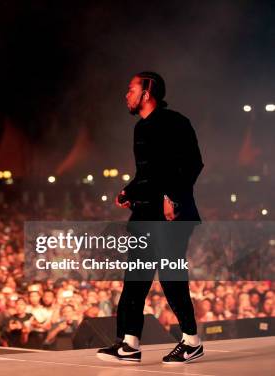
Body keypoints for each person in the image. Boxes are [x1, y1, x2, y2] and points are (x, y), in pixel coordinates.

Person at [97, 72, 204, 365]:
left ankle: (192, 341)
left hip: (172, 215)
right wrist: (129, 191)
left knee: (171, 276)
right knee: (136, 278)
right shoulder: (140, 128)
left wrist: (173, 197)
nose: (126, 94)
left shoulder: (175, 122)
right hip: (145, 213)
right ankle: (129, 343)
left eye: (131, 89)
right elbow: (149, 174)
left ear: (147, 93)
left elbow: (192, 163)